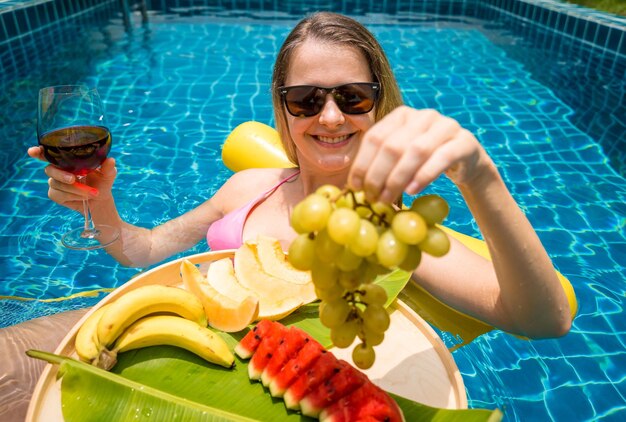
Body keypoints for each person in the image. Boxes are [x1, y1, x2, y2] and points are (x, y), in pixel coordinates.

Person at [8, 12, 572, 418]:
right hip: (167, 333)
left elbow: (543, 320)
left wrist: (479, 175)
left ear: (380, 101)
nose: (329, 117)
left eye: (352, 97)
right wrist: (101, 202)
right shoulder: (248, 187)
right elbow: (146, 250)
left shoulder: (386, 226)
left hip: (249, 395)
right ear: (283, 106)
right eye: (307, 99)